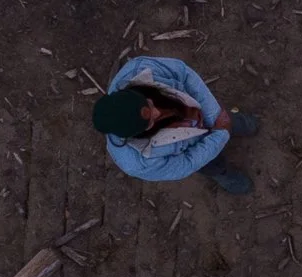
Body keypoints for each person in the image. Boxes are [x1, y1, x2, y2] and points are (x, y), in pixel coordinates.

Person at [92, 56, 257, 195]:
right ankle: (223, 173)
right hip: (194, 148)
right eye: (150, 122)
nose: (158, 112)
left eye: (149, 104)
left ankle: (235, 123)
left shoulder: (140, 68)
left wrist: (215, 116)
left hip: (195, 109)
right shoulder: (137, 163)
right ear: (134, 134)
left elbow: (184, 73)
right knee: (211, 164)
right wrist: (220, 135)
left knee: (225, 118)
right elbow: (186, 163)